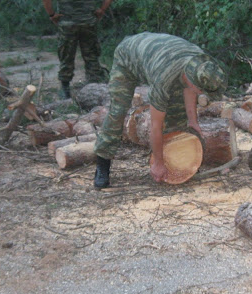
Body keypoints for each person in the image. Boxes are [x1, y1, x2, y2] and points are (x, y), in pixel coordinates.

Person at [93, 32, 227, 189]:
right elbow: (156, 126)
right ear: (190, 79)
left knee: (178, 113)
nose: (203, 94)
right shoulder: (164, 79)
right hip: (127, 56)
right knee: (118, 110)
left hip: (155, 57)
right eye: (202, 90)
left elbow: (190, 89)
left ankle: (176, 162)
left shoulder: (201, 64)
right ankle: (102, 163)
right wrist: (157, 163)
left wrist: (193, 121)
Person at [41, 0, 115, 99]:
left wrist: (52, 15)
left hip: (67, 23)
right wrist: (101, 10)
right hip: (88, 22)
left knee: (66, 56)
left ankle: (65, 89)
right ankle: (95, 89)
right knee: (91, 55)